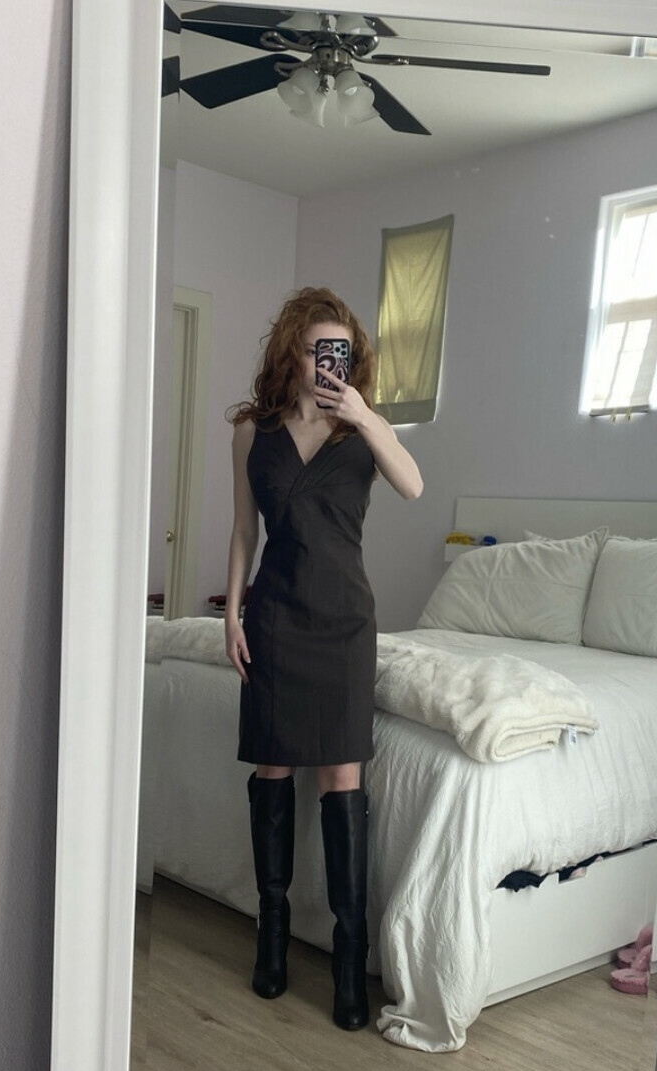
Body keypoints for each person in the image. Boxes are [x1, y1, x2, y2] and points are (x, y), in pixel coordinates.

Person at [224, 287, 423, 1031]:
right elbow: (243, 532)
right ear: (293, 351)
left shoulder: (363, 431)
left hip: (343, 626)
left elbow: (413, 485)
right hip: (275, 619)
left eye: (339, 351)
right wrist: (232, 613)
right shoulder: (252, 432)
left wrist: (365, 416)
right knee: (272, 769)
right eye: (316, 350)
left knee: (343, 778)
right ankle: (270, 939)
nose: (327, 363)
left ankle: (347, 963)